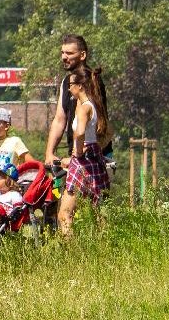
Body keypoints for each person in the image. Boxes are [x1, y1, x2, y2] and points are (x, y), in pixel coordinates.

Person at [43, 33, 110, 235]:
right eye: (62, 52)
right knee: (76, 211)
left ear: (82, 55)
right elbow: (59, 118)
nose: (64, 57)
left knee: (92, 213)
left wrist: (84, 152)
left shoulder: (92, 80)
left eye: (69, 53)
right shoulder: (66, 82)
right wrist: (49, 152)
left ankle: (90, 253)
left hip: (91, 154)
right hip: (78, 154)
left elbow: (102, 122)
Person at [59, 70, 112, 233]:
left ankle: (71, 252)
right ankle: (105, 248)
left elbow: (80, 132)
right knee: (97, 212)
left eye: (70, 85)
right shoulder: (92, 105)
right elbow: (107, 133)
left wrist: (78, 152)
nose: (68, 89)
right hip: (94, 157)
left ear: (80, 86)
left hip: (83, 160)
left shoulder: (83, 108)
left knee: (65, 214)